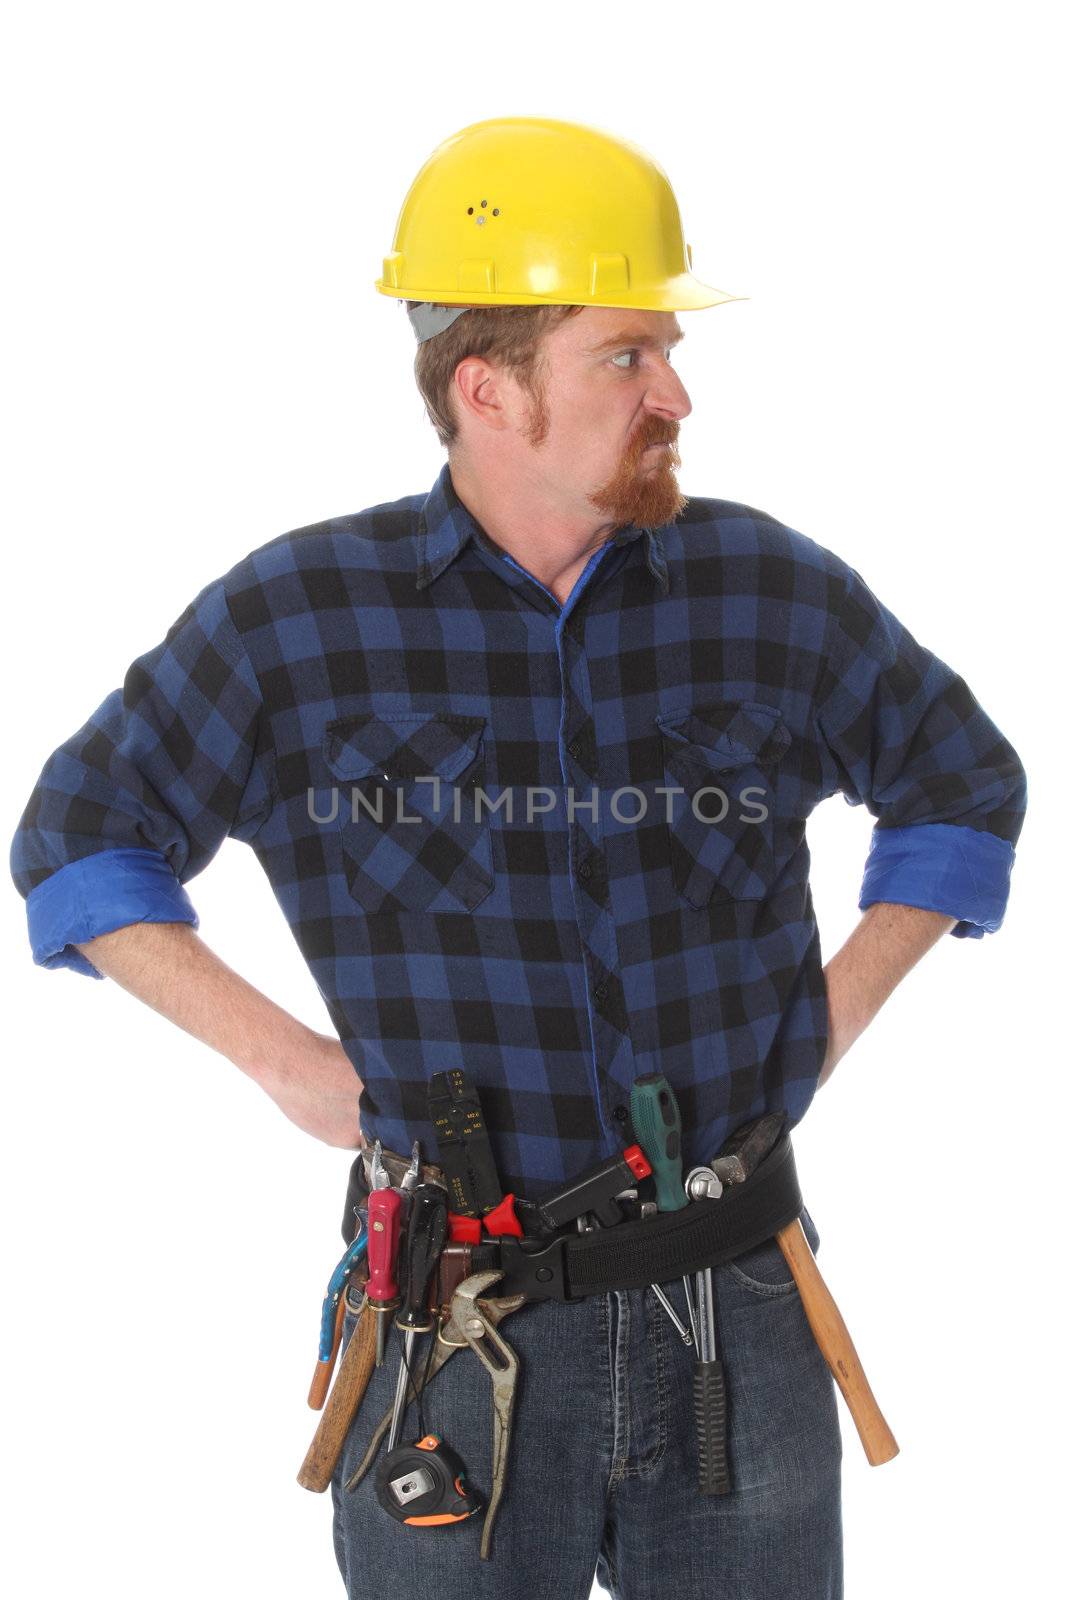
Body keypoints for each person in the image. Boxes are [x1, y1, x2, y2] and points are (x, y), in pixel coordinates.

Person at [9, 117, 1026, 1600]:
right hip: (448, 1327)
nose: (676, 392)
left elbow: (962, 784)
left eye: (667, 350)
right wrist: (287, 1064)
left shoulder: (770, 590)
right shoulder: (298, 621)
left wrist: (833, 1011)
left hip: (736, 1304)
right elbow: (77, 839)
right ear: (488, 388)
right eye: (627, 357)